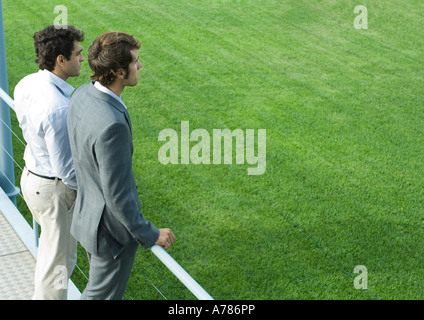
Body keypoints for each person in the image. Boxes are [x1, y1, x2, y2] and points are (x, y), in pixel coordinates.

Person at [68, 31, 175, 300]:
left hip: (87, 219)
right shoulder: (112, 126)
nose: (140, 66)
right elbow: (118, 197)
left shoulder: (83, 94)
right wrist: (150, 234)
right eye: (135, 61)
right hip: (110, 237)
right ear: (117, 71)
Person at [13, 25, 85, 300]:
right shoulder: (58, 107)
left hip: (32, 180)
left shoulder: (27, 83)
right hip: (54, 192)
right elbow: (67, 170)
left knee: (50, 256)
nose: (82, 59)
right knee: (58, 267)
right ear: (60, 60)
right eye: (77, 54)